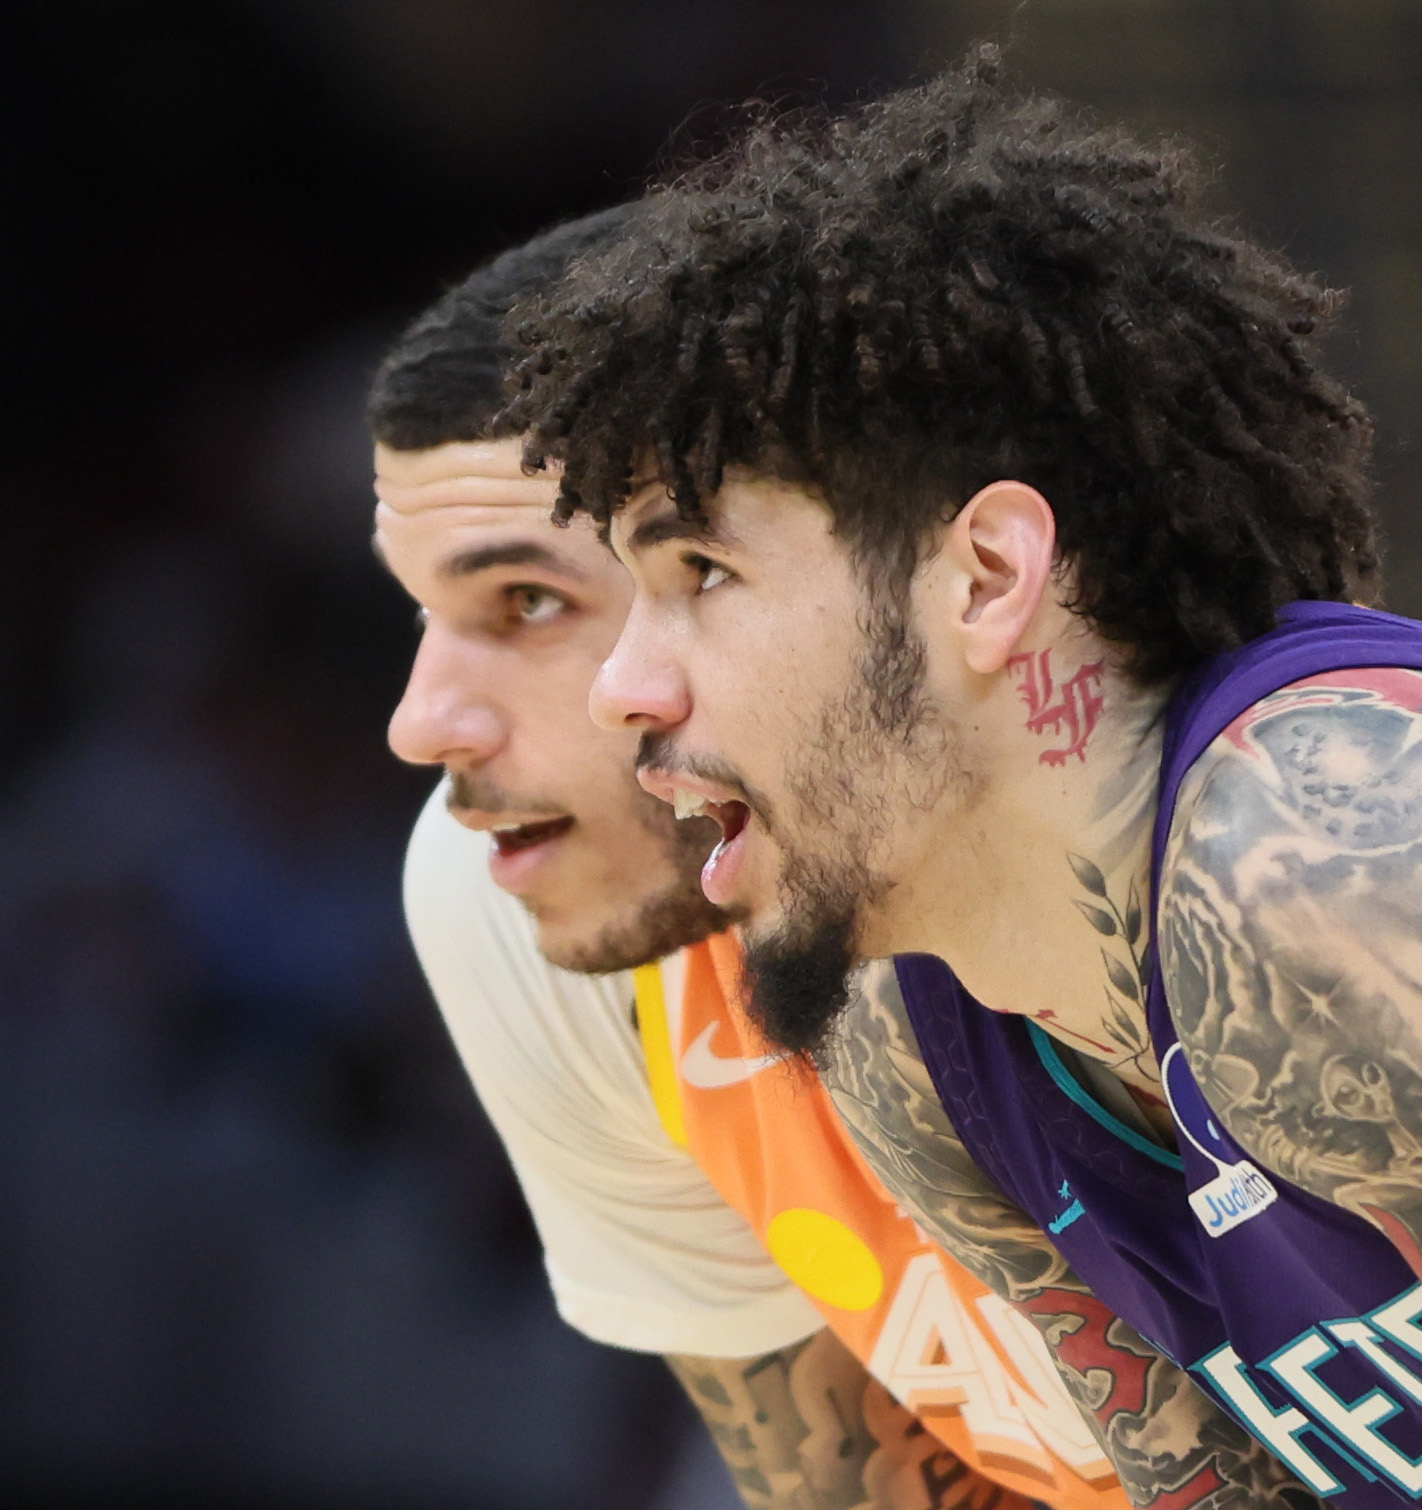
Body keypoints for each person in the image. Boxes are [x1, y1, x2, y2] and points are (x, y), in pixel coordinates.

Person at [506, 52, 1422, 1510]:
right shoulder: (915, 1042)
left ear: (988, 577)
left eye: (701, 572)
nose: (627, 684)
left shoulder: (1344, 851)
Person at [369, 209, 1315, 1509]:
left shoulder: (1301, 885)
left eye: (531, 602)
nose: (423, 720)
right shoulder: (520, 892)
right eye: (426, 609)